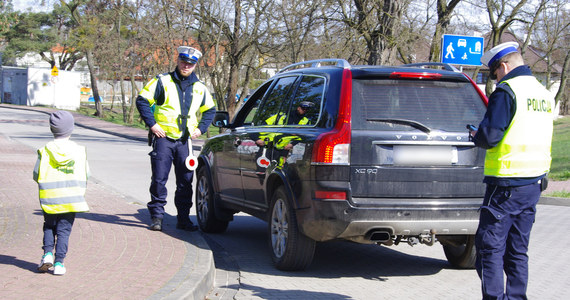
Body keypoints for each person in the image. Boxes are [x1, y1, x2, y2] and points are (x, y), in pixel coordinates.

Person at [469, 41, 556, 299]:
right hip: (533, 184)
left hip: (505, 185)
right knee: (518, 250)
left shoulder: (507, 91)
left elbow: (490, 137)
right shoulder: (541, 93)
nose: (495, 78)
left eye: (495, 72)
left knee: (489, 250)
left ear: (504, 66)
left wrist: (477, 135)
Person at [136, 45, 216, 232]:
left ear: (195, 65)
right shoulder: (162, 81)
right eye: (183, 62)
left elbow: (210, 110)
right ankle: (157, 217)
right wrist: (153, 124)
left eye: (190, 64)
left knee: (185, 181)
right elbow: (142, 100)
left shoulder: (200, 87)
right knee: (159, 179)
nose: (186, 66)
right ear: (177, 61)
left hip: (185, 141)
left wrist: (201, 129)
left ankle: (183, 219)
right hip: (163, 138)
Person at [34, 111, 90, 275]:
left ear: (52, 129)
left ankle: (47, 254)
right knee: (64, 230)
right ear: (71, 129)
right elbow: (87, 174)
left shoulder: (44, 151)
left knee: (49, 226)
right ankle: (59, 263)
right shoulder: (80, 151)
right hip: (72, 198)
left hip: (50, 198)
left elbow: (36, 174)